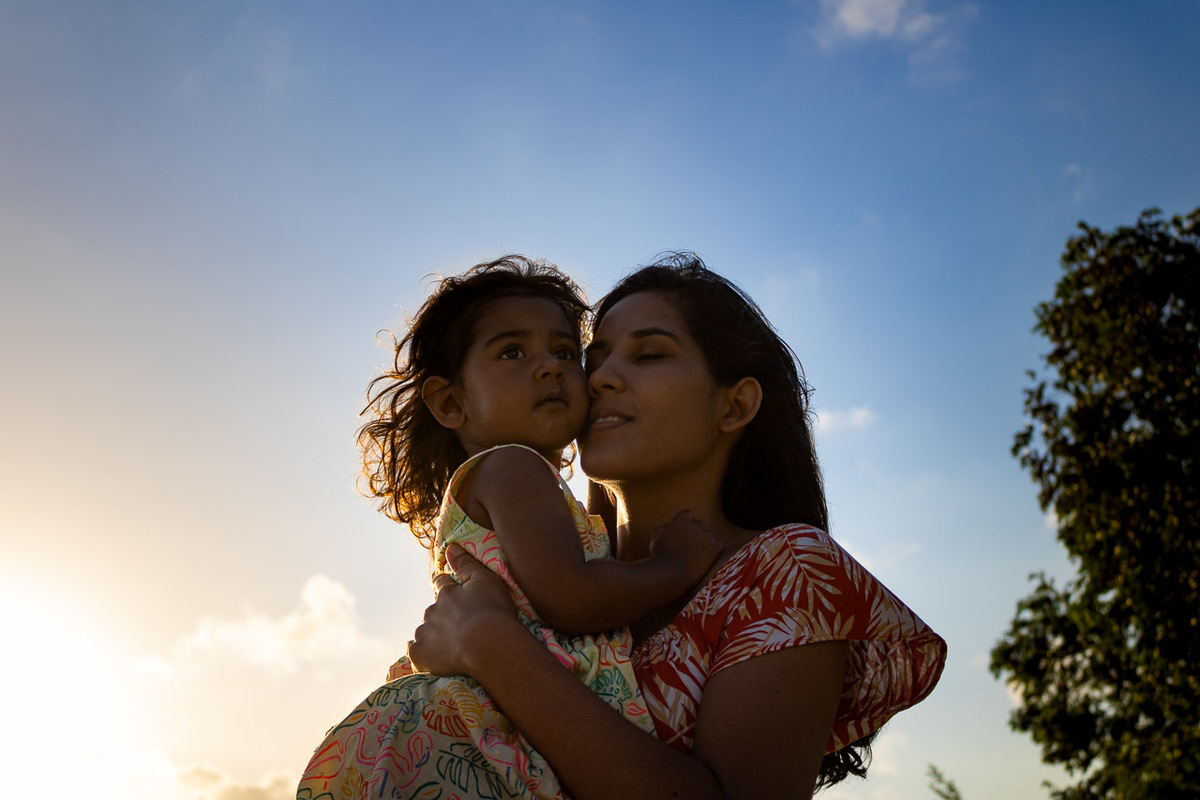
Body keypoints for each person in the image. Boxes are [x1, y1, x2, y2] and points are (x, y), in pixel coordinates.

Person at [407, 253, 948, 800]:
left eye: (647, 355)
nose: (600, 380)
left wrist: (492, 648)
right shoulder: (542, 567)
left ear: (734, 405)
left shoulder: (786, 572)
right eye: (593, 358)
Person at [297, 256, 722, 800]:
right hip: (473, 736)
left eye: (565, 353)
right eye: (512, 352)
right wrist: (674, 566)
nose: (549, 368)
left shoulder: (519, 482)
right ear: (452, 403)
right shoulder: (513, 468)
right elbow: (569, 596)